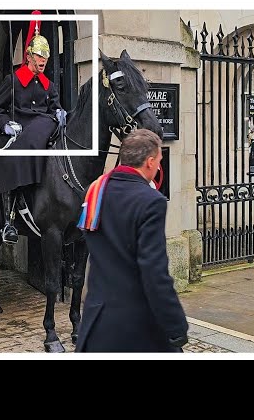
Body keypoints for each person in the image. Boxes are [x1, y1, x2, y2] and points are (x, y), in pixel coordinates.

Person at [75, 129, 189, 352]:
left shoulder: (95, 191)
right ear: (149, 162)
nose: (159, 167)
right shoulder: (150, 201)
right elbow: (154, 271)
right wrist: (175, 325)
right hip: (134, 326)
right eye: (159, 161)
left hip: (97, 321)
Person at [0, 11, 67, 244]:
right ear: (29, 57)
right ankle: (8, 220)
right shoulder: (12, 82)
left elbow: (55, 107)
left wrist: (61, 113)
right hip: (19, 131)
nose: (42, 65)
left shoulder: (49, 85)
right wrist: (6, 126)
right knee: (10, 159)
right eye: (39, 61)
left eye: (45, 62)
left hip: (44, 131)